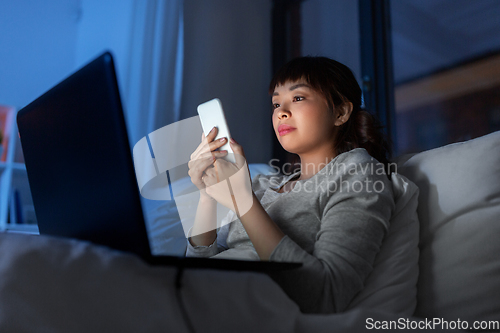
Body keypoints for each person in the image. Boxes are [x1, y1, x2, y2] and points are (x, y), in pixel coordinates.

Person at [185, 56, 396, 314]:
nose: (280, 112)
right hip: (197, 302)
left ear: (340, 112)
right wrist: (207, 196)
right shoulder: (262, 184)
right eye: (276, 103)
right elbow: (192, 272)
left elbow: (325, 295)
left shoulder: (358, 172)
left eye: (298, 98)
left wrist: (243, 200)